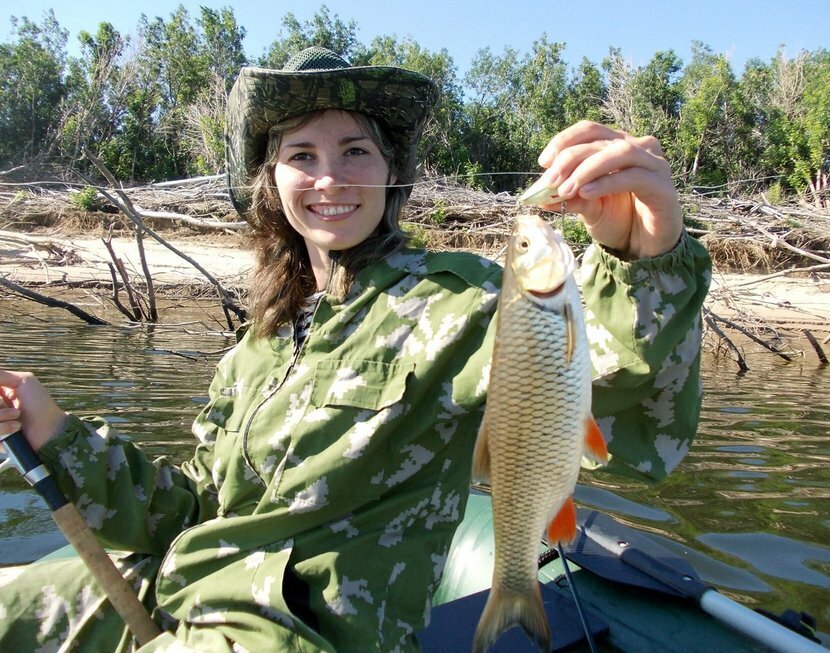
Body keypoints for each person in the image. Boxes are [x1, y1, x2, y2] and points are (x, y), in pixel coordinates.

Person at [0, 47, 711, 652]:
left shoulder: (456, 303)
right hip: (180, 589)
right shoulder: (261, 340)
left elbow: (624, 405)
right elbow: (194, 508)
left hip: (286, 631)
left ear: (390, 170)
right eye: (301, 155)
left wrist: (641, 256)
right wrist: (54, 433)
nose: (331, 178)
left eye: (356, 151)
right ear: (271, 183)